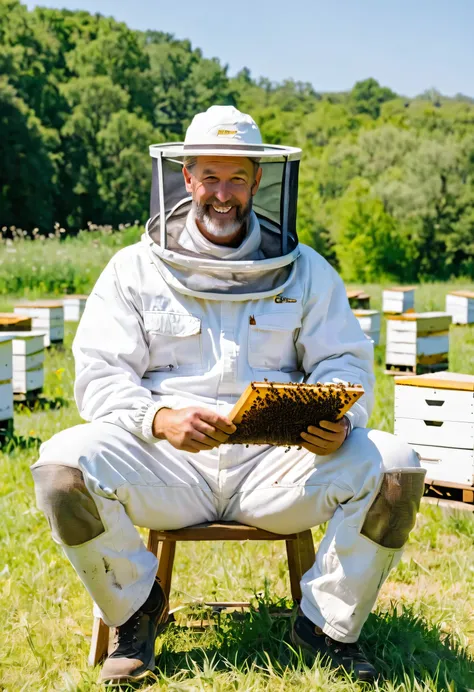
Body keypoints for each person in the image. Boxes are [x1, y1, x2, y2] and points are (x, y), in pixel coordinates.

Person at [31, 106, 426, 686]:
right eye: (209, 177)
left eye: (236, 178)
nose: (222, 194)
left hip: (280, 469)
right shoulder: (131, 271)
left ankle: (326, 626)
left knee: (396, 470)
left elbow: (344, 361)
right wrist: (158, 417)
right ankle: (136, 611)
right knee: (62, 469)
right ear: (185, 177)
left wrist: (336, 420)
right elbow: (99, 375)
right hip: (167, 466)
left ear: (259, 181)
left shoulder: (308, 271)